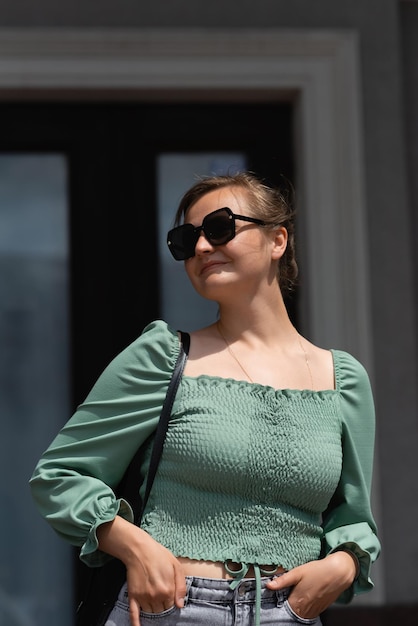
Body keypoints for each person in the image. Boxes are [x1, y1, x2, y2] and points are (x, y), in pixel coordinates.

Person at [30, 172, 380, 626]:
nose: (199, 248)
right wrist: (134, 545)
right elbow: (59, 476)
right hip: (173, 611)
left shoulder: (343, 379)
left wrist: (345, 563)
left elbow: (353, 518)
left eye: (219, 227)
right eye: (185, 239)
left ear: (278, 240)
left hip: (292, 615)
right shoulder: (162, 356)